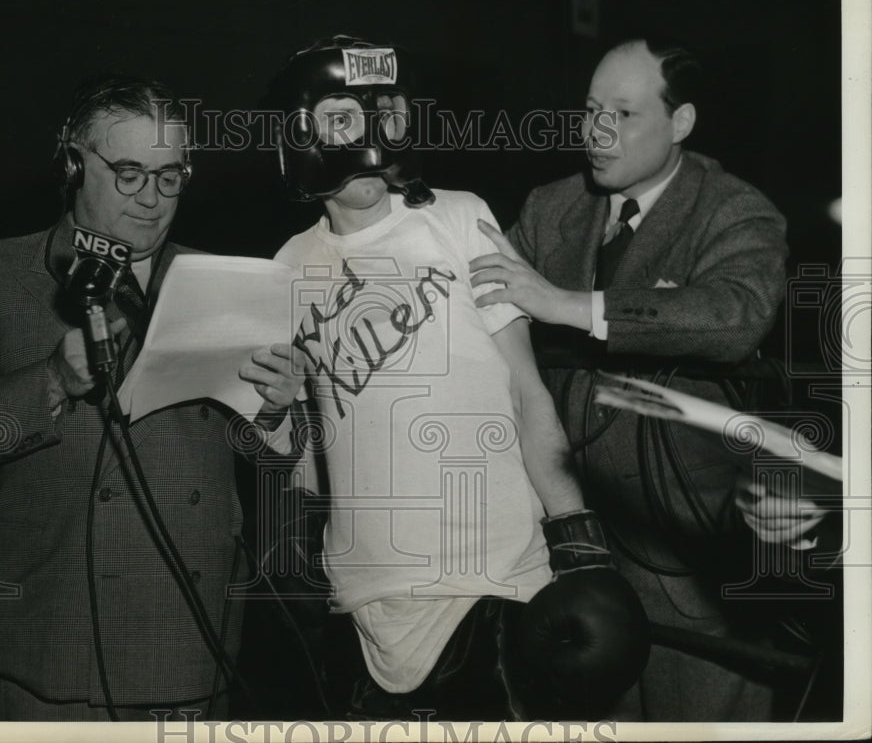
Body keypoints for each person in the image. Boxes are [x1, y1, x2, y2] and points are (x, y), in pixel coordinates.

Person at [241, 36, 651, 720]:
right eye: (342, 117)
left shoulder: (459, 217)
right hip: (367, 593)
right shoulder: (286, 265)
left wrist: (576, 535)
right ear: (302, 131)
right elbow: (307, 460)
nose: (368, 137)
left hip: (495, 576)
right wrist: (276, 414)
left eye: (384, 115)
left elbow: (526, 388)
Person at [0, 75, 296, 721]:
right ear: (71, 162)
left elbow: (267, 460)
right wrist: (52, 381)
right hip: (51, 644)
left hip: (189, 639)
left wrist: (277, 408)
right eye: (127, 172)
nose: (150, 199)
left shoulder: (229, 281)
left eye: (170, 175)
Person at [468, 38, 790, 721]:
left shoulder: (735, 211)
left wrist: (568, 304)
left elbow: (737, 314)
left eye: (623, 112)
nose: (597, 132)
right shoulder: (552, 207)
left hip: (694, 564)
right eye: (589, 110)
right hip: (571, 552)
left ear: (682, 123)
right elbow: (480, 323)